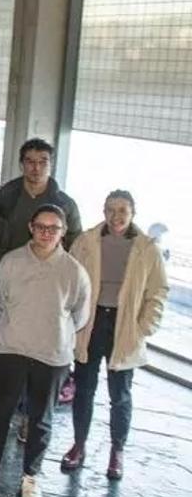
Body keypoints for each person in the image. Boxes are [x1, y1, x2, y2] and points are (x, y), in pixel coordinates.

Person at [0, 205, 91, 497]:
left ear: (62, 232)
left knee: (41, 418)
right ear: (31, 228)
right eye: (41, 227)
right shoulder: (11, 262)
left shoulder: (74, 271)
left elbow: (79, 315)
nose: (46, 233)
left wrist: (52, 332)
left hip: (52, 355)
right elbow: (1, 302)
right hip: (11, 350)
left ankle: (31, 475)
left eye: (54, 228)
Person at [63, 191, 168, 480]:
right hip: (91, 321)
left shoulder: (147, 248)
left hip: (124, 325)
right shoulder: (86, 241)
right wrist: (70, 319)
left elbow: (158, 291)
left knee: (120, 394)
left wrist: (144, 326)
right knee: (84, 388)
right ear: (103, 211)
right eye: (110, 209)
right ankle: (79, 445)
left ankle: (116, 451)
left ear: (133, 212)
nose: (116, 216)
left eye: (122, 210)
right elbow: (69, 280)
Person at [0, 138, 82, 264]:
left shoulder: (65, 205)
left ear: (51, 166)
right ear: (21, 165)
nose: (36, 168)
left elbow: (76, 246)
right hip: (7, 270)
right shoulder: (0, 200)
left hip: (50, 273)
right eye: (30, 162)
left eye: (43, 162)